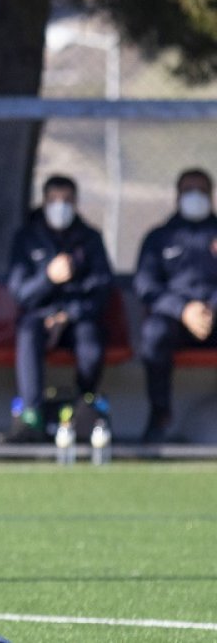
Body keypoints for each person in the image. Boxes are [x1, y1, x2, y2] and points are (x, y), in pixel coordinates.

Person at [6, 174, 113, 438]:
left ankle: (84, 402)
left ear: (76, 202)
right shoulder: (26, 238)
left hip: (78, 318)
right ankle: (31, 410)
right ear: (43, 201)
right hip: (38, 318)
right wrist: (48, 278)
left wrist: (68, 315)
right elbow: (20, 293)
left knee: (90, 339)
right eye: (54, 199)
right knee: (28, 333)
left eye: (66, 200)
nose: (60, 206)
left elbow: (101, 289)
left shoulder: (90, 239)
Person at [134, 168, 217, 443]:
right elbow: (146, 285)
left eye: (201, 191)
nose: (195, 197)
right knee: (153, 333)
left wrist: (210, 308)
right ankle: (160, 417)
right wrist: (183, 310)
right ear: (177, 195)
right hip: (175, 320)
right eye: (188, 191)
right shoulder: (158, 238)